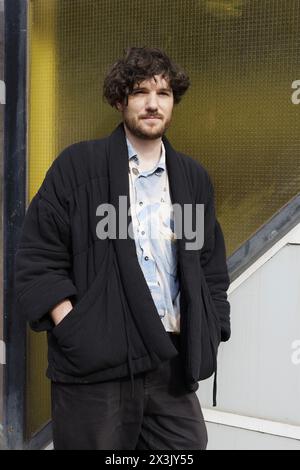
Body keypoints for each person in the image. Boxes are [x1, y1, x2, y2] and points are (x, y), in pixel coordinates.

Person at [15, 47, 231, 450]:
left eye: (163, 93)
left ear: (173, 102)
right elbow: (38, 256)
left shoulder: (191, 179)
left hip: (170, 358)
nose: (153, 103)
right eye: (139, 92)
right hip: (97, 362)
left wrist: (212, 324)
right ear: (119, 101)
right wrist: (76, 325)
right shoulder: (80, 167)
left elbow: (207, 264)